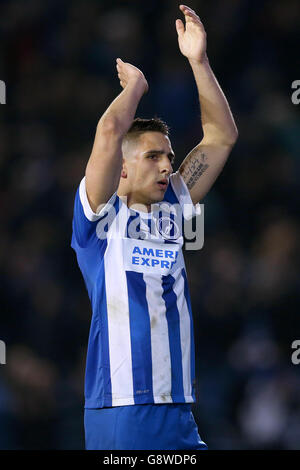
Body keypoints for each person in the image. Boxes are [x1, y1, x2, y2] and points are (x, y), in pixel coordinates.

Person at [71, 4, 238, 450]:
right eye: (153, 156)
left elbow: (221, 136)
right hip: (123, 410)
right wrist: (137, 88)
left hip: (179, 410)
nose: (168, 165)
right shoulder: (98, 217)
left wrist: (198, 62)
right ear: (121, 170)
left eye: (169, 156)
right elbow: (109, 131)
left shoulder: (172, 208)